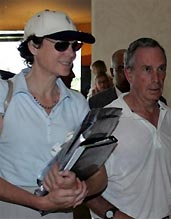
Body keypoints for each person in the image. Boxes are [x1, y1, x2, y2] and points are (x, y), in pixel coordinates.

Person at [0, 9, 107, 219]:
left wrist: (80, 188)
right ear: (33, 46)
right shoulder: (4, 94)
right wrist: (40, 202)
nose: (71, 53)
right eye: (61, 45)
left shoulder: (77, 103)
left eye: (75, 45)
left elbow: (100, 174)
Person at [87, 37, 171, 219]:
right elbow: (83, 185)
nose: (156, 78)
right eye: (147, 69)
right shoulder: (104, 121)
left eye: (161, 69)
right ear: (129, 74)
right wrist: (113, 214)